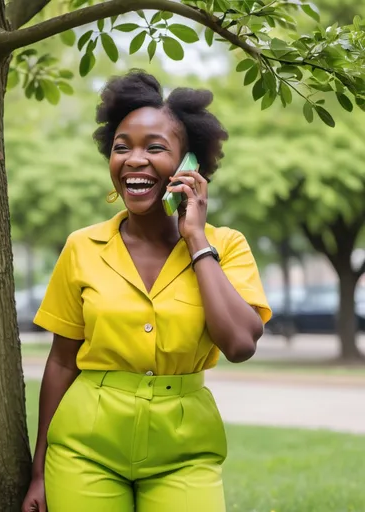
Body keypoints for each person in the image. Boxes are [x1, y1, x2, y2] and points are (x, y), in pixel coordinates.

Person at [22, 70, 272, 512]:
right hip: (84, 448)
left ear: (188, 165)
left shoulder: (226, 246)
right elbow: (61, 361)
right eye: (122, 148)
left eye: (154, 148)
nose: (134, 159)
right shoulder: (82, 246)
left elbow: (239, 343)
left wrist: (196, 239)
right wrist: (39, 472)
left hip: (185, 451)